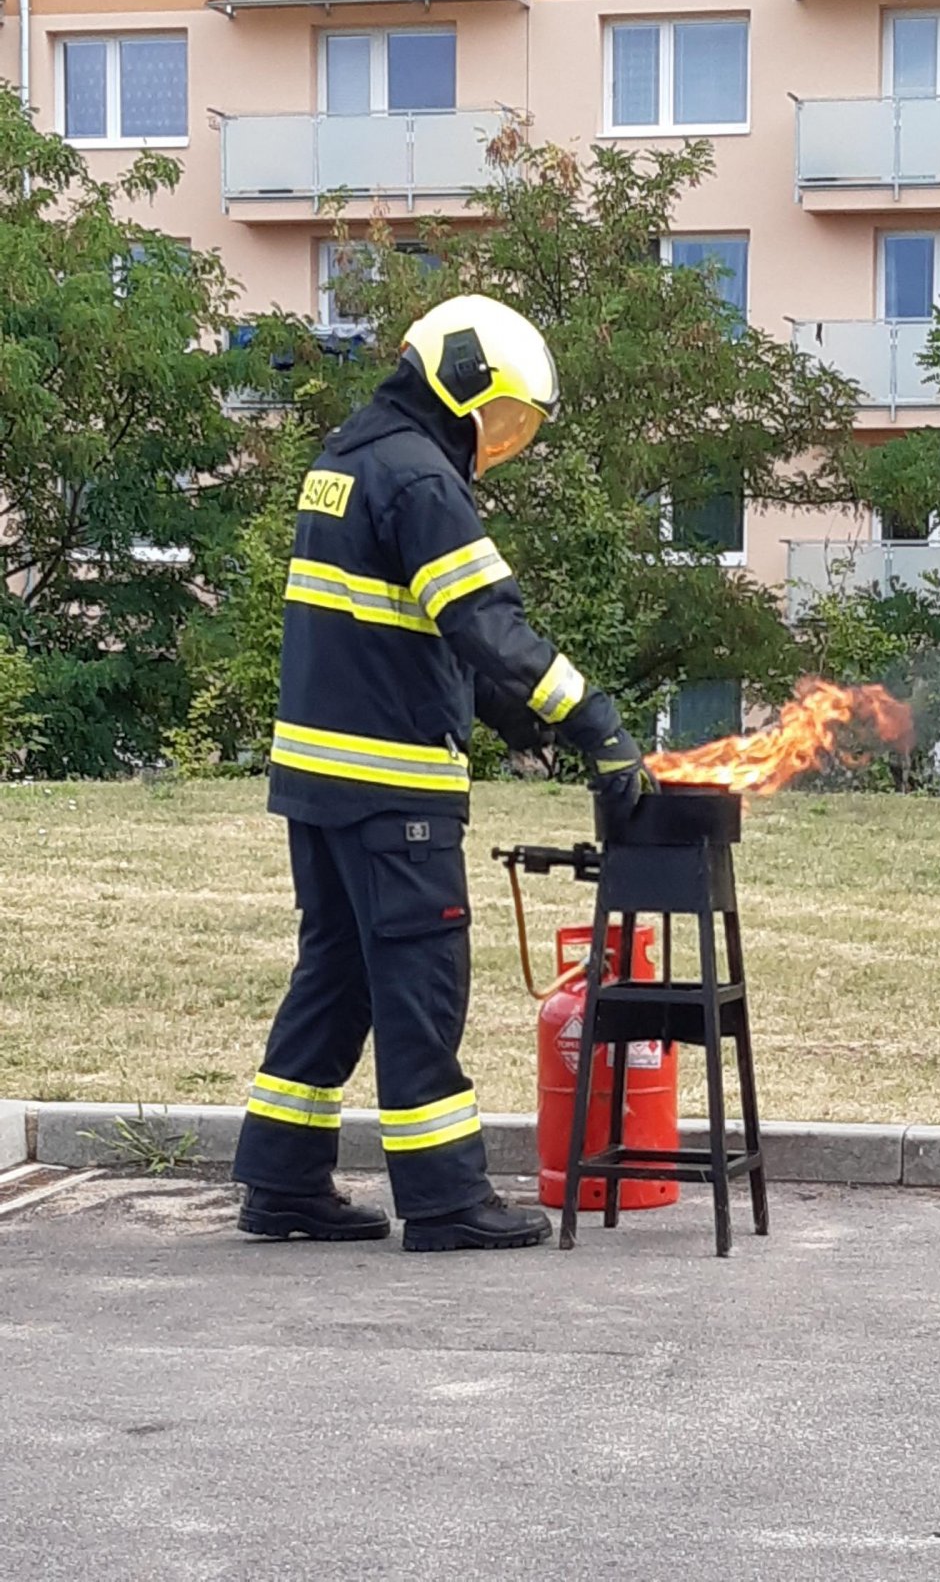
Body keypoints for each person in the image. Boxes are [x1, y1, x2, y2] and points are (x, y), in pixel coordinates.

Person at [232, 294, 648, 1252]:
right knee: (422, 980)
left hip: (320, 781)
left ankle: (282, 1181)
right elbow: (484, 622)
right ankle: (445, 1198)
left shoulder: (347, 460)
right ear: (462, 382)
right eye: (499, 416)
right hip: (392, 790)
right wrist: (594, 721)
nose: (497, 439)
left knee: (336, 974)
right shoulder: (420, 477)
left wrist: (504, 712)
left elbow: (408, 626)